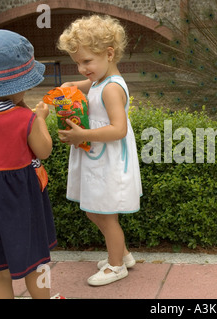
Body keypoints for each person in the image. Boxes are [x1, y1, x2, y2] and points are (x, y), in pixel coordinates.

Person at [0, 30, 56, 299]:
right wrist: (39, 117)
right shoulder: (23, 119)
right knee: (36, 263)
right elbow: (44, 150)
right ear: (17, 85)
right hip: (20, 202)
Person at [57, 15, 142, 286]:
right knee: (95, 210)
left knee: (105, 213)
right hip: (98, 157)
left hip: (109, 159)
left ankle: (117, 266)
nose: (81, 69)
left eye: (86, 62)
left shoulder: (111, 89)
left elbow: (118, 129)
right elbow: (83, 87)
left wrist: (82, 134)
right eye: (77, 63)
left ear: (109, 53)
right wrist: (69, 87)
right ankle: (124, 255)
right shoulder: (99, 81)